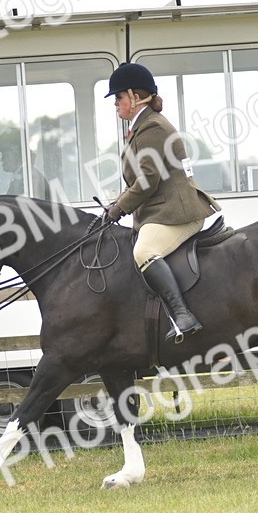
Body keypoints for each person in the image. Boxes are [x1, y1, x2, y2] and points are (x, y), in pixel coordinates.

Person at [104, 63, 221, 342]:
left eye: (119, 98)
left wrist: (120, 207)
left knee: (144, 251)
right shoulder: (141, 126)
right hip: (161, 210)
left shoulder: (152, 127)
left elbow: (147, 181)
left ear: (135, 97)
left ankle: (182, 315)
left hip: (177, 212)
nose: (116, 104)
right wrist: (117, 202)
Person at [0, 127, 50, 199]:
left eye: (4, 154)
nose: (2, 159)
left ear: (16, 153)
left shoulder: (29, 178)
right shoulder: (24, 176)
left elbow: (33, 206)